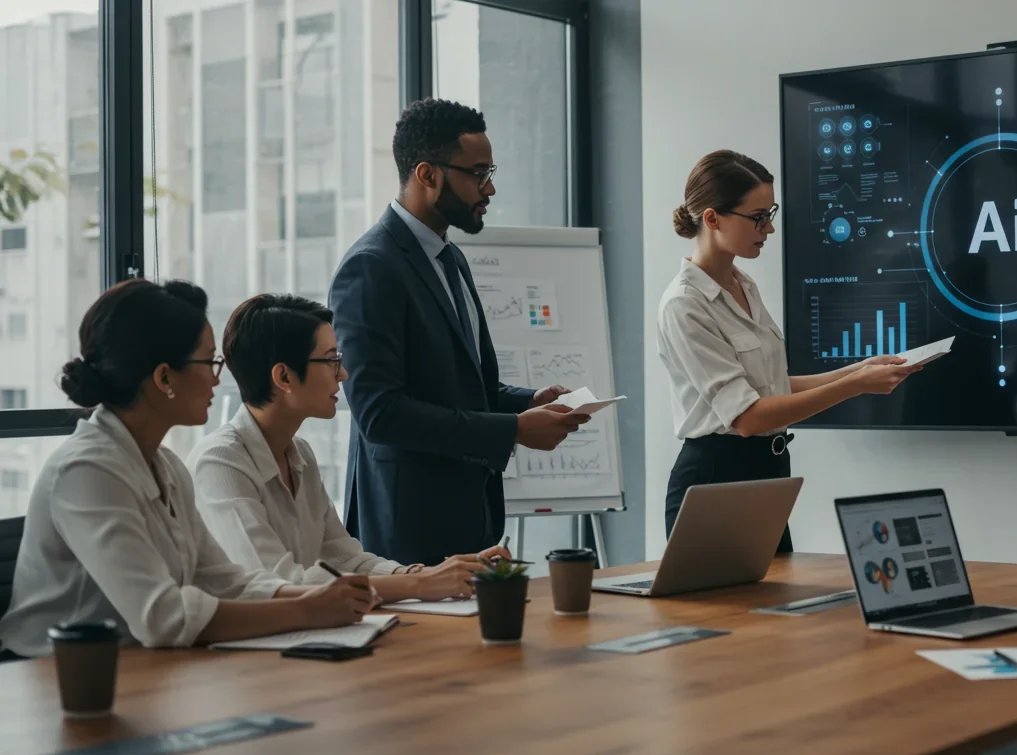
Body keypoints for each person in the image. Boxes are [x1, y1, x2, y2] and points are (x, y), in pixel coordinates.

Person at [0, 280, 374, 660]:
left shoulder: (167, 467)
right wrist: (309, 610)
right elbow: (163, 616)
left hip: (141, 667)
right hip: (52, 679)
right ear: (164, 378)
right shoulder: (86, 471)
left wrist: (321, 596)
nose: (217, 379)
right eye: (209, 362)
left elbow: (226, 582)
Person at [329, 98, 588, 565]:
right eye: (478, 173)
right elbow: (379, 412)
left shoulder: (451, 258)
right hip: (409, 530)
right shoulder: (371, 267)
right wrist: (513, 429)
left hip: (471, 514)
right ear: (428, 175)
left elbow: (458, 386)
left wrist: (525, 402)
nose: (489, 189)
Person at [658, 150, 920, 552]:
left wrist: (857, 370)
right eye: (758, 217)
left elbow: (772, 387)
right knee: (726, 614)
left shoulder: (743, 284)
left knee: (775, 608)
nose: (770, 228)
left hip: (767, 475)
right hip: (715, 481)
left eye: (771, 213)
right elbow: (747, 417)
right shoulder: (685, 304)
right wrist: (855, 387)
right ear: (712, 219)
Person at [187, 294, 511, 603]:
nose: (342, 374)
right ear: (284, 376)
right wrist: (419, 584)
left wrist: (430, 573)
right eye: (331, 360)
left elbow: (347, 560)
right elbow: (282, 584)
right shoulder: (220, 464)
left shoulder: (299, 452)